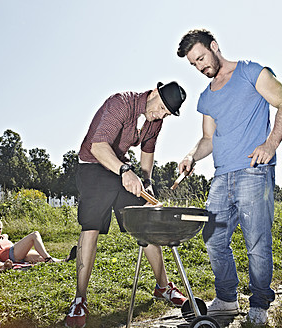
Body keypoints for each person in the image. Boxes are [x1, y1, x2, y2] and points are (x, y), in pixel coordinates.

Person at [176, 29, 282, 325]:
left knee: (257, 243)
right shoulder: (206, 97)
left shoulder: (251, 72)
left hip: (253, 173)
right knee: (214, 240)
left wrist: (270, 144)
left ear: (214, 47)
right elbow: (207, 139)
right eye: (194, 64)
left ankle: (259, 305)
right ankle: (227, 299)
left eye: (201, 58)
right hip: (221, 178)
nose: (201, 67)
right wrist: (191, 156)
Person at [65, 81, 188, 328]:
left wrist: (147, 181)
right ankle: (80, 299)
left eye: (166, 113)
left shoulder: (155, 119)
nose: (160, 115)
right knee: (91, 226)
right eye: (161, 107)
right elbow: (98, 147)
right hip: (93, 165)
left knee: (146, 219)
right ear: (154, 93)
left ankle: (163, 287)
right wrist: (124, 170)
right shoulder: (120, 103)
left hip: (121, 168)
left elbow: (148, 150)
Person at [0, 219, 72, 263]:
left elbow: (6, 235)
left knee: (40, 257)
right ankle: (48, 258)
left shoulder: (3, 237)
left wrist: (4, 237)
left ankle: (63, 261)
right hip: (11, 254)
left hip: (18, 255)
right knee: (34, 235)